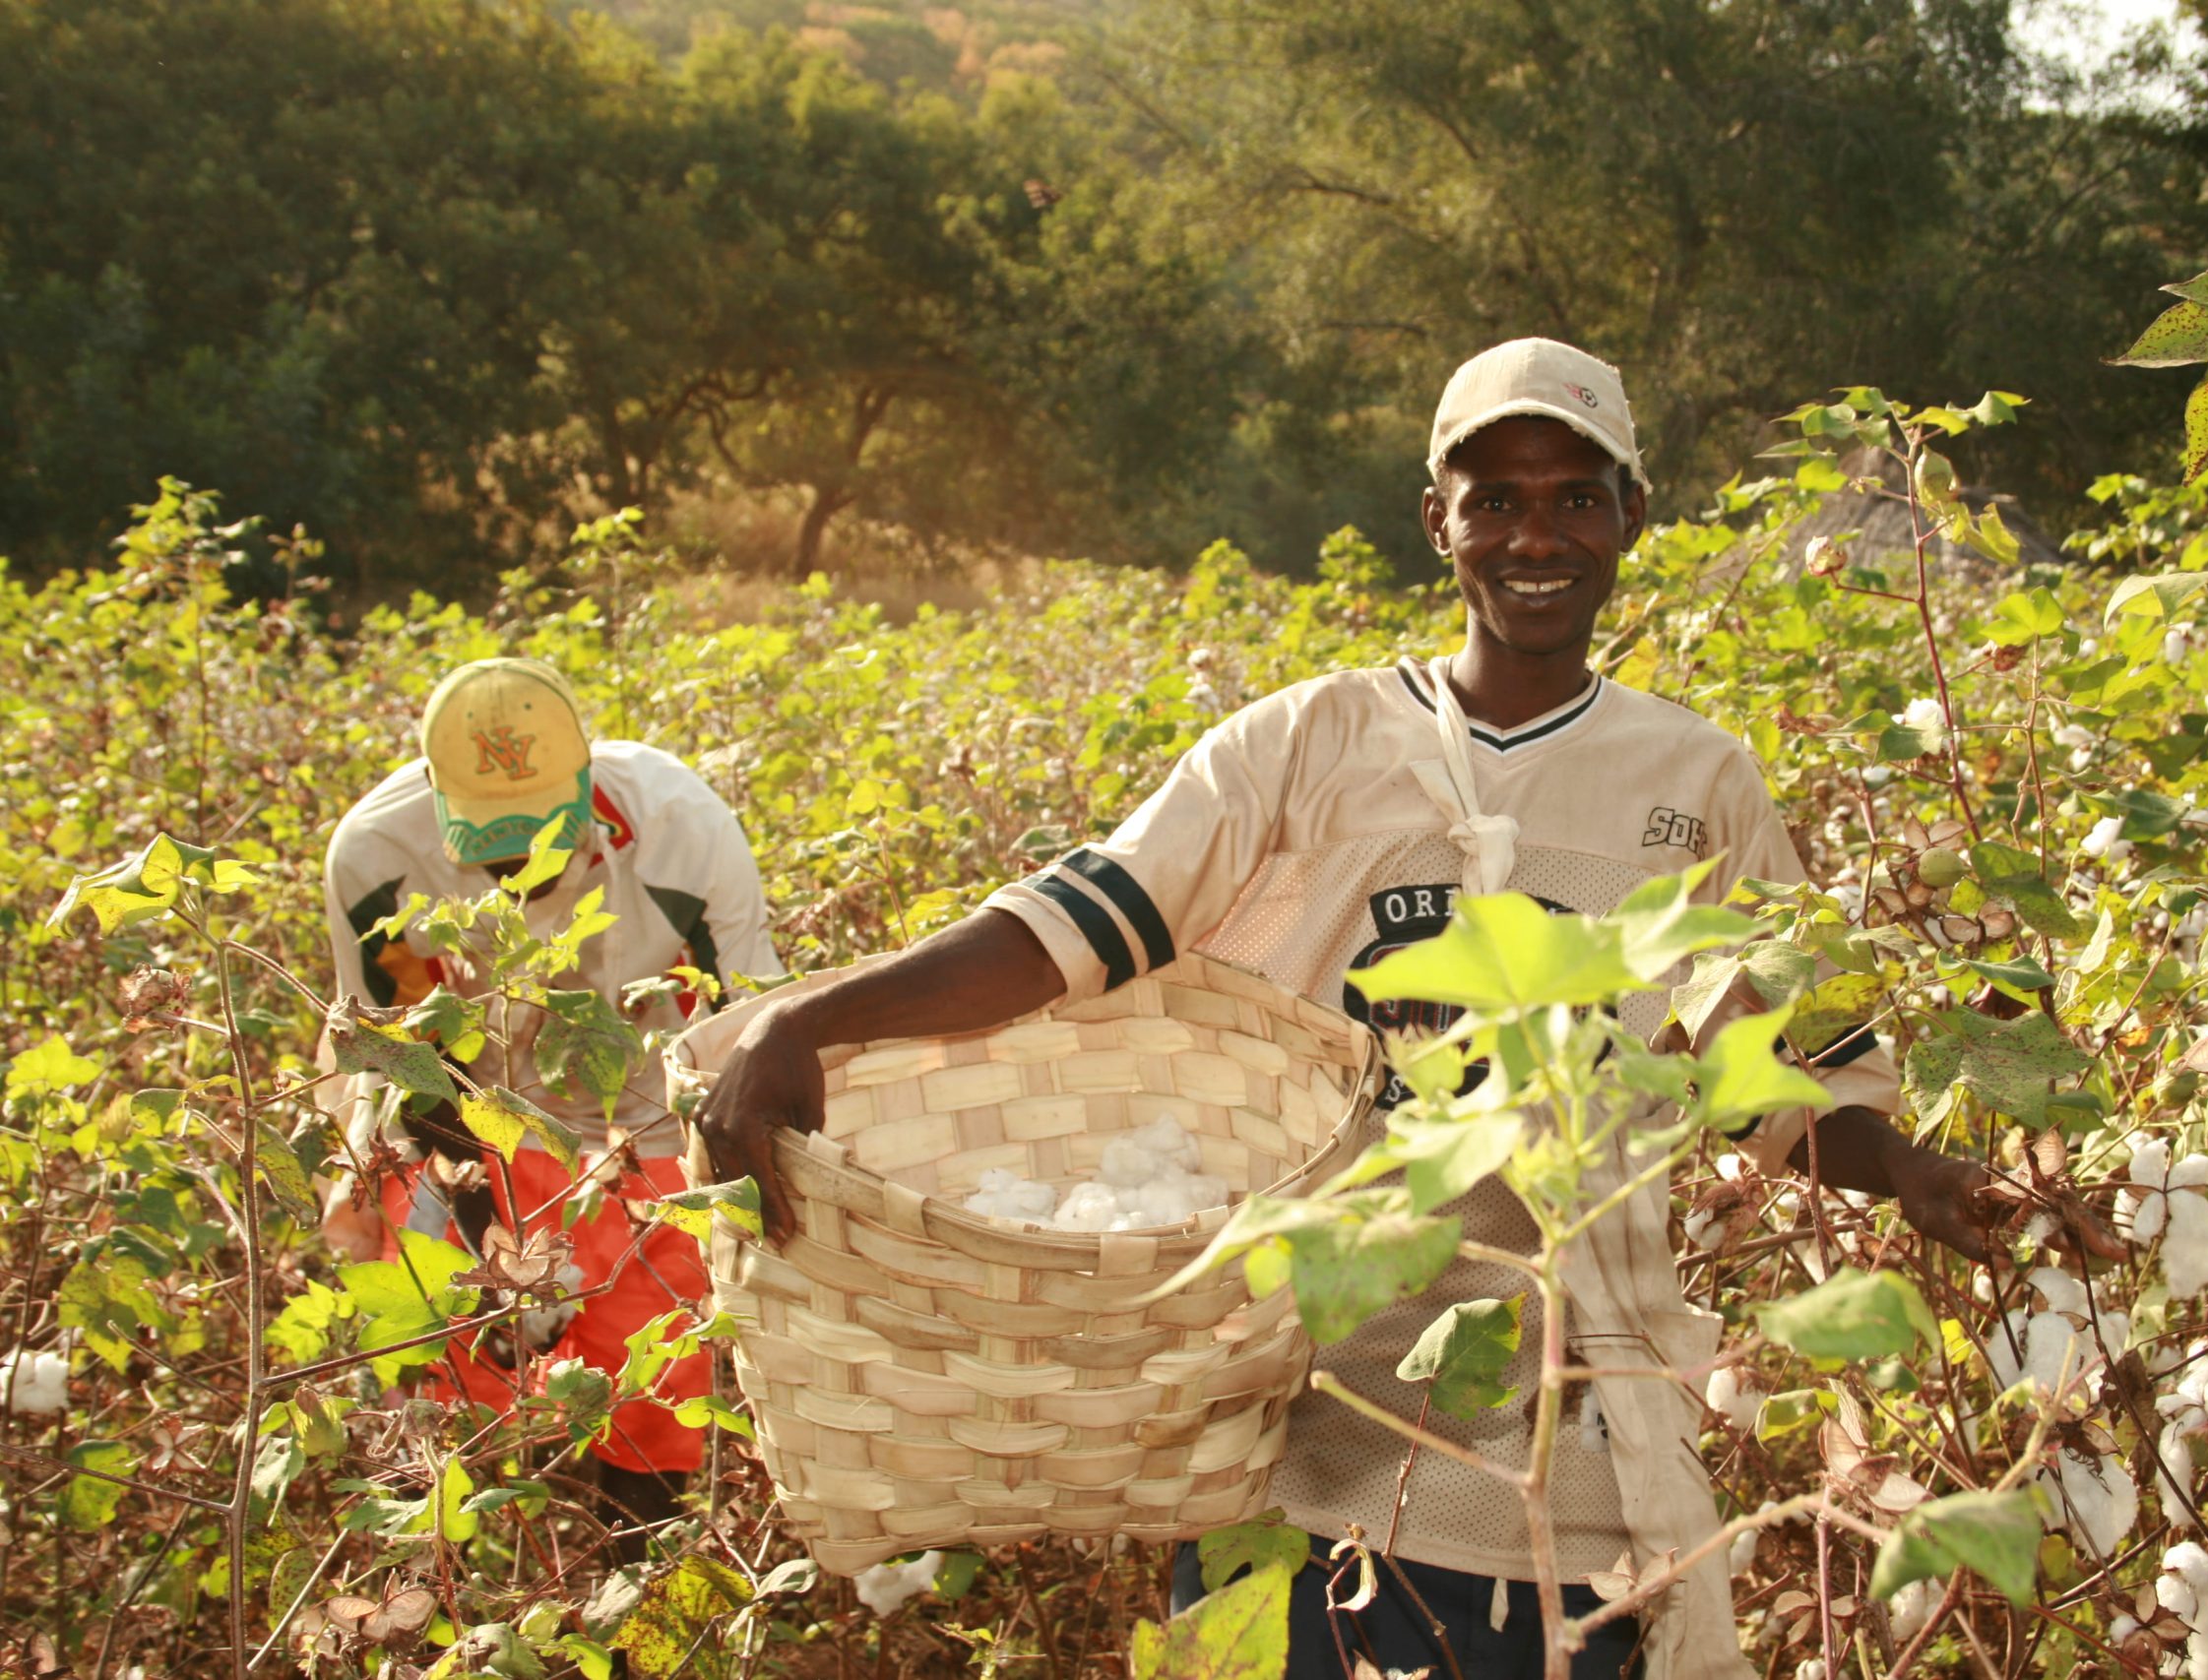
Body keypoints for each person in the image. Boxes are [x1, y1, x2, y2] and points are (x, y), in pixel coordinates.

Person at [694, 341, 1987, 1677]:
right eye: (1494, 499)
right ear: (1440, 523)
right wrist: (807, 1024)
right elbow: (1076, 929)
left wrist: (1906, 1168)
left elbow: (1766, 1066)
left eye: (1574, 496)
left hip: (1556, 1464)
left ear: (1629, 519)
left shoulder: (1695, 779)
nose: (1534, 534)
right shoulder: (1313, 743)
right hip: (1291, 1447)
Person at [320, 655, 780, 1542]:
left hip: (647, 1107)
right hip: (469, 1108)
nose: (522, 861)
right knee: (441, 1330)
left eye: (544, 831)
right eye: (494, 841)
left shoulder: (683, 830)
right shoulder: (377, 856)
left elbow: (746, 1037)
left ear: (587, 780)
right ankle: (456, 1551)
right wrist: (492, 1242)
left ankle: (638, 1536)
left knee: (654, 1347)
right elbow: (399, 1060)